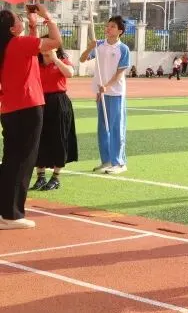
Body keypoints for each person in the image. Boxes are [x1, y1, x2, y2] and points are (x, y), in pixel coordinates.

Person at [0, 5, 62, 229]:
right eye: (18, 20)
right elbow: (55, 42)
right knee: (23, 161)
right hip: (28, 107)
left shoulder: (8, 45)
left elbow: (31, 51)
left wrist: (34, 25)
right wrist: (48, 18)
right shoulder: (18, 43)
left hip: (9, 109)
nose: (22, 21)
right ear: (12, 29)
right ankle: (12, 215)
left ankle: (6, 211)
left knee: (11, 160)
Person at [80, 15, 131, 175]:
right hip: (100, 93)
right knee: (103, 127)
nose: (108, 29)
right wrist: (90, 47)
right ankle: (106, 160)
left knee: (116, 127)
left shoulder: (123, 49)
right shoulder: (99, 45)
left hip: (115, 93)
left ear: (120, 31)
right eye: (108, 26)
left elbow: (119, 73)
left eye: (112, 27)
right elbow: (82, 60)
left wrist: (107, 86)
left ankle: (119, 162)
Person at [32, 47, 77, 191]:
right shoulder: (35, 62)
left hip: (58, 102)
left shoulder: (62, 61)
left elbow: (70, 73)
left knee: (59, 138)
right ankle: (40, 176)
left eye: (49, 46)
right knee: (39, 138)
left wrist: (56, 60)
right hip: (39, 101)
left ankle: (56, 177)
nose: (45, 49)